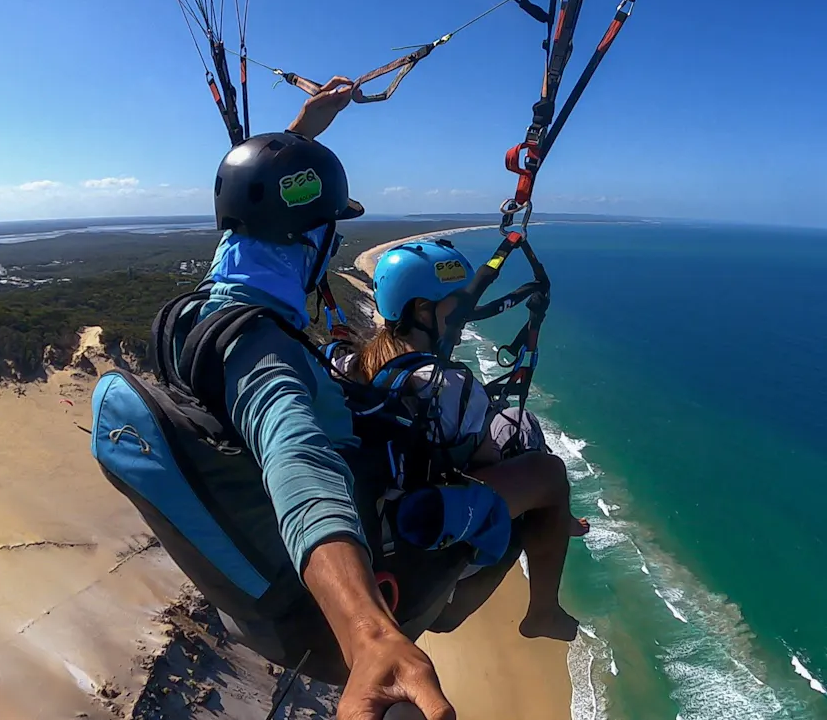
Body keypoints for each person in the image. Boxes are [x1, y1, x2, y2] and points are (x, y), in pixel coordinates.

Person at [184, 78, 456, 720]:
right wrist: (370, 633)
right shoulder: (262, 354)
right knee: (518, 484)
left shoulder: (204, 312)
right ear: (312, 245)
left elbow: (255, 216)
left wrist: (299, 135)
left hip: (268, 571)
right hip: (352, 586)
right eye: (327, 237)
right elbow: (297, 459)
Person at [337, 239, 588, 642]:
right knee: (544, 468)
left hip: (377, 528)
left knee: (515, 429)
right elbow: (483, 461)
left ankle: (560, 520)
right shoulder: (451, 389)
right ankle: (543, 609)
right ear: (422, 310)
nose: (464, 313)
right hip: (432, 574)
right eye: (455, 303)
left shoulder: (352, 364)